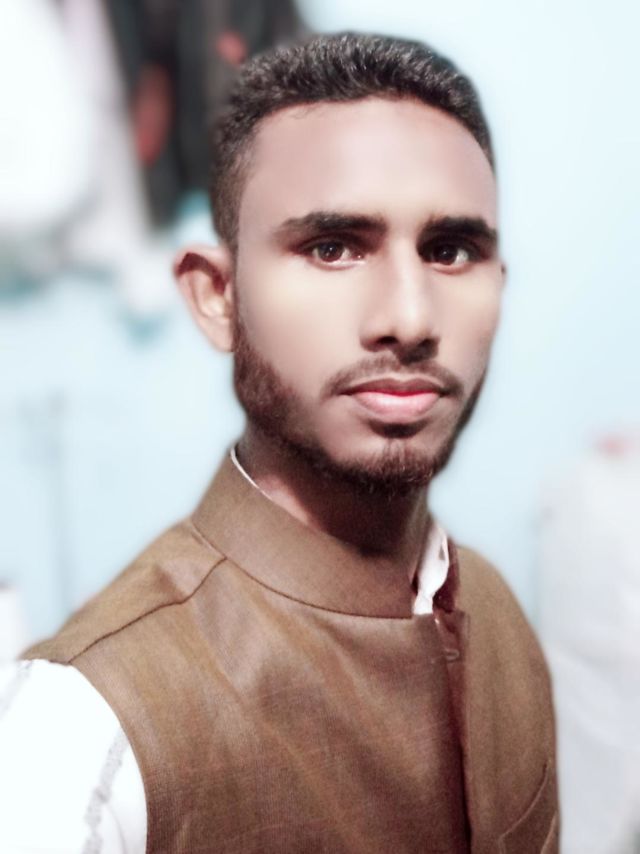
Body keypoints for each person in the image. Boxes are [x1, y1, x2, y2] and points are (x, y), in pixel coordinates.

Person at [0, 32, 558, 853]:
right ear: (217, 298)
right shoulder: (82, 732)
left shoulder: (499, 613)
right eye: (332, 248)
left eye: (450, 251)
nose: (408, 318)